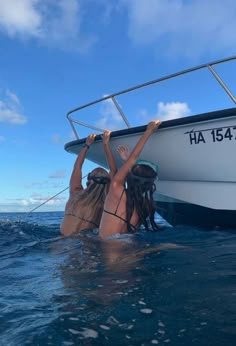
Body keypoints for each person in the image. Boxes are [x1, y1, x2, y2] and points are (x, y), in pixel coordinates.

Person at [99, 120, 162, 239]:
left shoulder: (117, 191)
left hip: (107, 249)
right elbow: (134, 171)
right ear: (150, 185)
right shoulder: (145, 206)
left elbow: (130, 160)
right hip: (131, 250)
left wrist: (148, 131)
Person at [61, 130, 117, 236]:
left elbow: (77, 167)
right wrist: (106, 144)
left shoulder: (75, 194)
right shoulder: (105, 202)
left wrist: (87, 145)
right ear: (107, 183)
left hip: (62, 241)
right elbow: (113, 170)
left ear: (88, 180)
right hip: (88, 242)